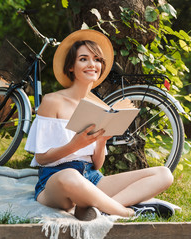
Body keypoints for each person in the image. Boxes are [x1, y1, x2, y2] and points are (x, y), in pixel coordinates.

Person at [24, 29, 174, 221]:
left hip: (92, 178)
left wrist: (102, 141)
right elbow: (41, 158)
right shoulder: (53, 101)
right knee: (70, 175)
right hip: (56, 180)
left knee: (164, 174)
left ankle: (100, 210)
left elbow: (96, 165)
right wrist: (74, 146)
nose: (92, 64)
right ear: (71, 66)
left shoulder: (100, 106)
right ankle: (127, 212)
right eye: (84, 59)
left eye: (96, 60)